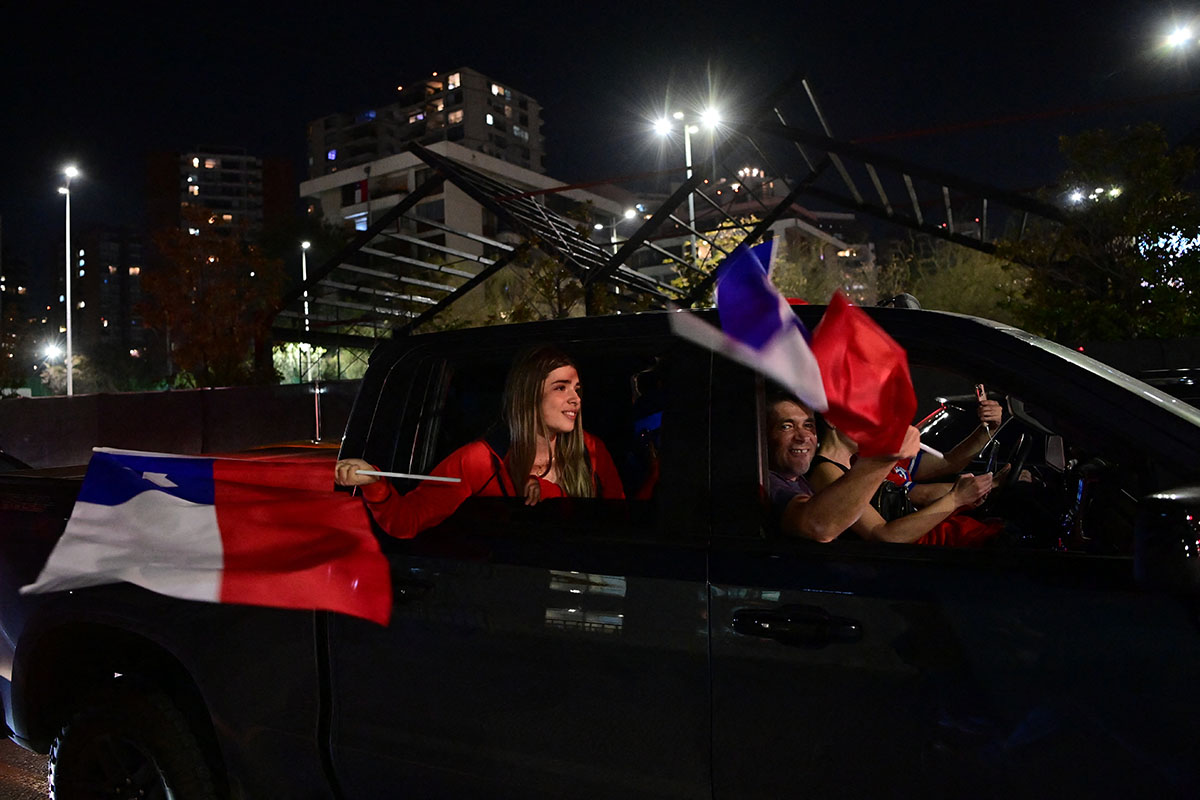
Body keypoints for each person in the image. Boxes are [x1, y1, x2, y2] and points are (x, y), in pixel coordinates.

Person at [335, 346, 624, 538]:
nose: (575, 399)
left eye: (577, 389)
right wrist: (374, 482)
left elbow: (621, 524)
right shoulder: (477, 461)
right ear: (527, 396)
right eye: (561, 388)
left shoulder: (592, 449)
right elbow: (406, 520)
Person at [808, 415, 997, 545]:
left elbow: (948, 462)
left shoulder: (852, 465)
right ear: (832, 419)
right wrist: (956, 499)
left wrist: (987, 430)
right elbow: (883, 535)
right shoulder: (827, 472)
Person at [764, 391, 922, 542]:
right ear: (764, 435)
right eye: (786, 426)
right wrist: (882, 460)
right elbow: (818, 526)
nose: (803, 436)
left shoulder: (799, 481)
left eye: (808, 425)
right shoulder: (769, 484)